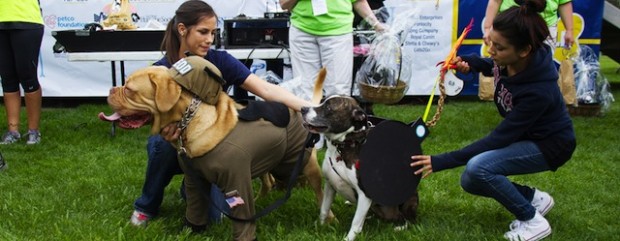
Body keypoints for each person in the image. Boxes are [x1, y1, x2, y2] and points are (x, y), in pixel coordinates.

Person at [130, 0, 314, 234]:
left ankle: (192, 188)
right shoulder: (163, 70)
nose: (209, 39)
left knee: (213, 216)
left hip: (213, 145)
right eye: (203, 32)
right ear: (183, 30)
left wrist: (311, 109)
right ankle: (147, 204)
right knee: (160, 147)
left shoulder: (219, 60)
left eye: (213, 33)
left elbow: (267, 90)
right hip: (177, 143)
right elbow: (148, 113)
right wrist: (165, 132)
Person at [410, 1, 576, 240]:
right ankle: (534, 199)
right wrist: (469, 63)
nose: (491, 51)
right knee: (471, 178)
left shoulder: (538, 90)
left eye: (499, 48)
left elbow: (498, 139)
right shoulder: (513, 62)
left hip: (552, 145)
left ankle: (532, 221)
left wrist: (440, 161)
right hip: (531, 137)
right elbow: (493, 66)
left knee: (479, 168)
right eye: (491, 43)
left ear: (524, 50)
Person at [279, 0, 384, 101]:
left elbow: (359, 1)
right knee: (304, 90)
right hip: (302, 32)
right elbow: (284, 4)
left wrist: (376, 24)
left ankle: (337, 118)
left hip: (338, 33)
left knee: (337, 92)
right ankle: (306, 119)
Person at [0, 0, 44, 145]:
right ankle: (13, 131)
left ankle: (33, 130)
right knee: (7, 79)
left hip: (27, 20)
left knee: (28, 78)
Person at [483, 0, 574, 49]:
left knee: (540, 68)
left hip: (545, 29)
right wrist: (487, 28)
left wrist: (569, 30)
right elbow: (495, 1)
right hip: (510, 26)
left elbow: (564, 3)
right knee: (507, 68)